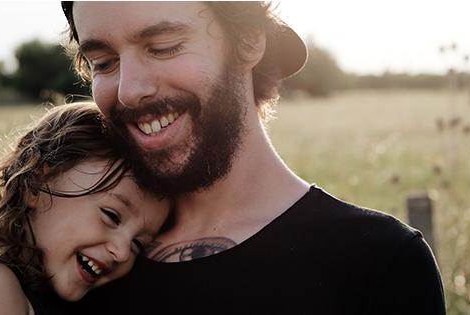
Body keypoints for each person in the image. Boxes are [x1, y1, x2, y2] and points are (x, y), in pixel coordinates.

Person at [63, 1, 446, 313]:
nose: (130, 90)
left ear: (248, 41)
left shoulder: (378, 263)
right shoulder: (80, 255)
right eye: (104, 63)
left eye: (163, 47)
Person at [0, 103, 170, 314]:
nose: (123, 252)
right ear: (36, 185)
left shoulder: (42, 293)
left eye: (138, 244)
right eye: (111, 216)